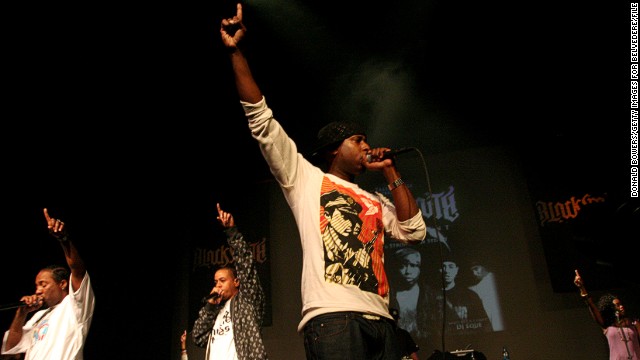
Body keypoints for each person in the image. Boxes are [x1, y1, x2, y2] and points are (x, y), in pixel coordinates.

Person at [219, 4, 427, 359]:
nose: (365, 146)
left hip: (382, 320)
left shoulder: (374, 201)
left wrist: (391, 172)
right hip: (333, 320)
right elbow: (261, 119)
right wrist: (236, 52)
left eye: (366, 140)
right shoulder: (304, 178)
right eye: (356, 140)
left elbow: (415, 231)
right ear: (333, 150)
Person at [1, 208, 95, 360]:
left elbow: (78, 271)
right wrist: (21, 313)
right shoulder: (38, 317)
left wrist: (64, 240)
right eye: (37, 285)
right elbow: (9, 352)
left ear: (63, 284)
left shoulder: (75, 306)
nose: (38, 290)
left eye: (43, 284)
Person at [191, 203, 268, 360]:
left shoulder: (246, 301)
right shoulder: (216, 311)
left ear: (236, 282)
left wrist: (231, 232)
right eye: (215, 281)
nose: (217, 285)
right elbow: (198, 337)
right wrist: (210, 306)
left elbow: (246, 265)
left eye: (222, 280)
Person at [573, 269, 640, 360]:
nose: (621, 306)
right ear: (610, 309)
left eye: (621, 304)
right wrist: (582, 288)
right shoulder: (607, 325)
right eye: (617, 305)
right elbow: (591, 305)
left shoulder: (634, 323)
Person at [434, 257, 490, 335]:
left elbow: (485, 326)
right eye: (443, 267)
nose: (446, 271)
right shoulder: (429, 296)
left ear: (456, 270)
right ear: (438, 270)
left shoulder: (470, 295)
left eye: (451, 267)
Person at [388, 246, 434, 342]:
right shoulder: (388, 295)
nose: (408, 271)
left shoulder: (430, 295)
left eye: (413, 265)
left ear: (420, 268)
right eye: (402, 266)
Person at [468, 261, 504, 331]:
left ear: (484, 266)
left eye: (476, 269)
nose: (474, 273)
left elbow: (474, 289)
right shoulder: (486, 281)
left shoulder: (489, 279)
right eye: (472, 271)